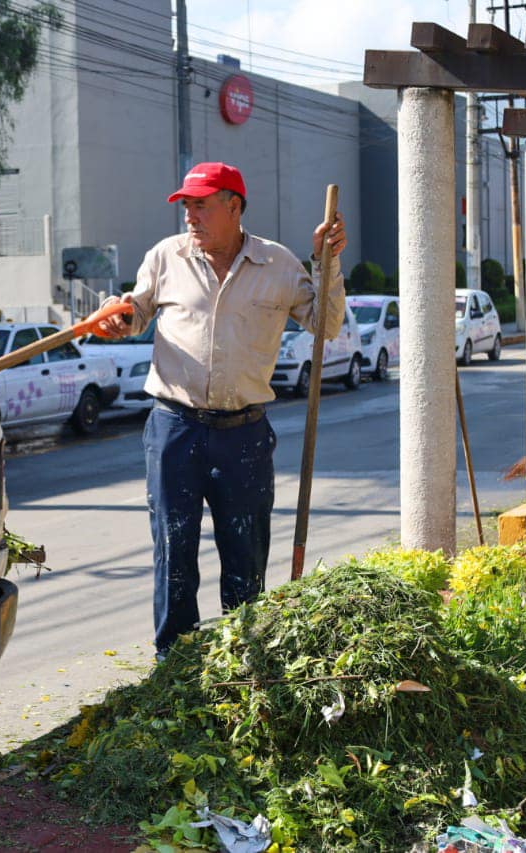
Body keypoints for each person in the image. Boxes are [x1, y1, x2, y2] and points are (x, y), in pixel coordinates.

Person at [94, 161, 346, 659]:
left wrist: (327, 262)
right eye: (186, 205)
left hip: (243, 435)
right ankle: (175, 664)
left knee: (245, 554)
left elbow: (325, 325)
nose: (191, 215)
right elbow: (134, 313)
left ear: (234, 207)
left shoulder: (277, 266)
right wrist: (117, 317)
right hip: (174, 427)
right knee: (174, 551)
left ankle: (242, 659)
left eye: (201, 205)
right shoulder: (166, 256)